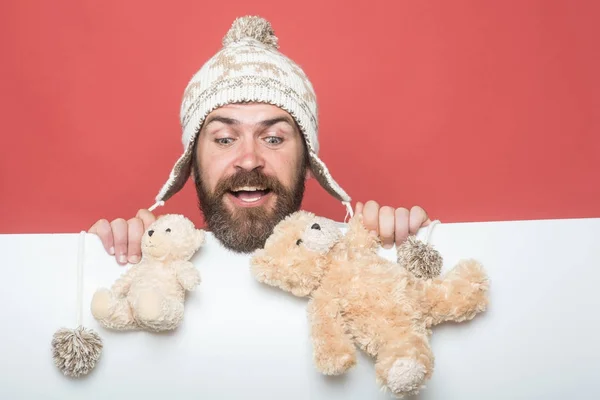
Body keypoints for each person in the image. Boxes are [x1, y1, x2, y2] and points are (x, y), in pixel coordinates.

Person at [89, 16, 432, 265]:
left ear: (308, 163)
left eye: (272, 138)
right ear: (192, 165)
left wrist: (403, 247)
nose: (249, 159)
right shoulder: (156, 270)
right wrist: (103, 259)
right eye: (224, 139)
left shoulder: (362, 267)